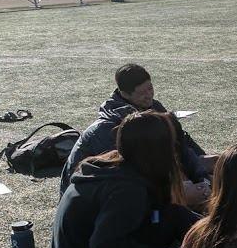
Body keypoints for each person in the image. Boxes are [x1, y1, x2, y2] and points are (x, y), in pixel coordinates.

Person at [48, 111, 198, 248]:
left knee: (172, 214)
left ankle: (225, 239)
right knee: (168, 219)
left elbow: (163, 211)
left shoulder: (115, 165)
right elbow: (105, 247)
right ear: (158, 150)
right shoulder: (127, 190)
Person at [60, 64, 214, 204]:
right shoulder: (107, 130)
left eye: (150, 88)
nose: (149, 95)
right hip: (95, 200)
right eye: (142, 93)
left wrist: (203, 180)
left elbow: (180, 145)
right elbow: (133, 175)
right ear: (124, 94)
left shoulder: (154, 107)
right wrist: (179, 192)